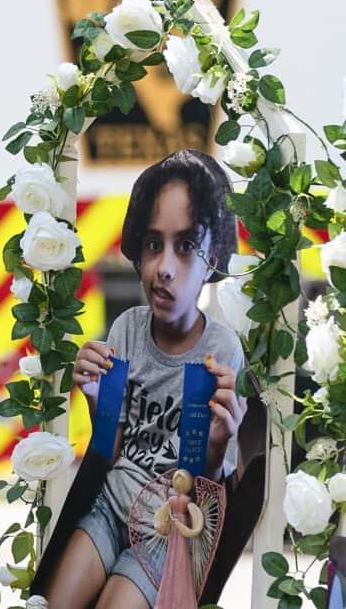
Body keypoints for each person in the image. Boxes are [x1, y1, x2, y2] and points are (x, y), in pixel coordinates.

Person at [38, 149, 247, 609]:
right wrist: (95, 401)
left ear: (212, 256)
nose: (164, 267)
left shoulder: (222, 351)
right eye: (153, 244)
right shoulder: (126, 330)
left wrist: (218, 443)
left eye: (185, 245)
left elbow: (205, 489)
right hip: (109, 510)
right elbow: (110, 450)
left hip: (167, 532)